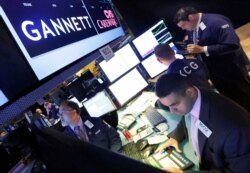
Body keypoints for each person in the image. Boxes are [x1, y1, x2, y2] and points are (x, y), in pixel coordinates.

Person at [154, 73, 250, 173]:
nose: (172, 111)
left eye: (174, 105)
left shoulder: (235, 131)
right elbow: (186, 119)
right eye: (168, 106)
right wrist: (175, 137)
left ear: (190, 92)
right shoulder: (193, 97)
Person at [173, 7, 250, 111]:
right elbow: (194, 39)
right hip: (216, 73)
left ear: (191, 17)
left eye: (183, 25)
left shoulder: (216, 22)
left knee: (245, 96)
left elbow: (233, 44)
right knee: (234, 101)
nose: (183, 29)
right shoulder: (193, 27)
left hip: (232, 71)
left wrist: (203, 49)